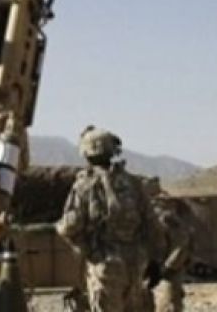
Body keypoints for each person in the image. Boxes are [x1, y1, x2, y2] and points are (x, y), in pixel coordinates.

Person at [56, 127, 163, 312]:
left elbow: (70, 227)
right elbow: (153, 226)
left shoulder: (84, 187)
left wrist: (84, 247)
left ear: (87, 154)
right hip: (136, 267)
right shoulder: (134, 183)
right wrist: (155, 261)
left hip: (105, 269)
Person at [148, 186, 191, 312]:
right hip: (155, 271)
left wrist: (167, 267)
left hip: (168, 273)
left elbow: (180, 246)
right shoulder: (151, 219)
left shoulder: (168, 219)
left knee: (169, 304)